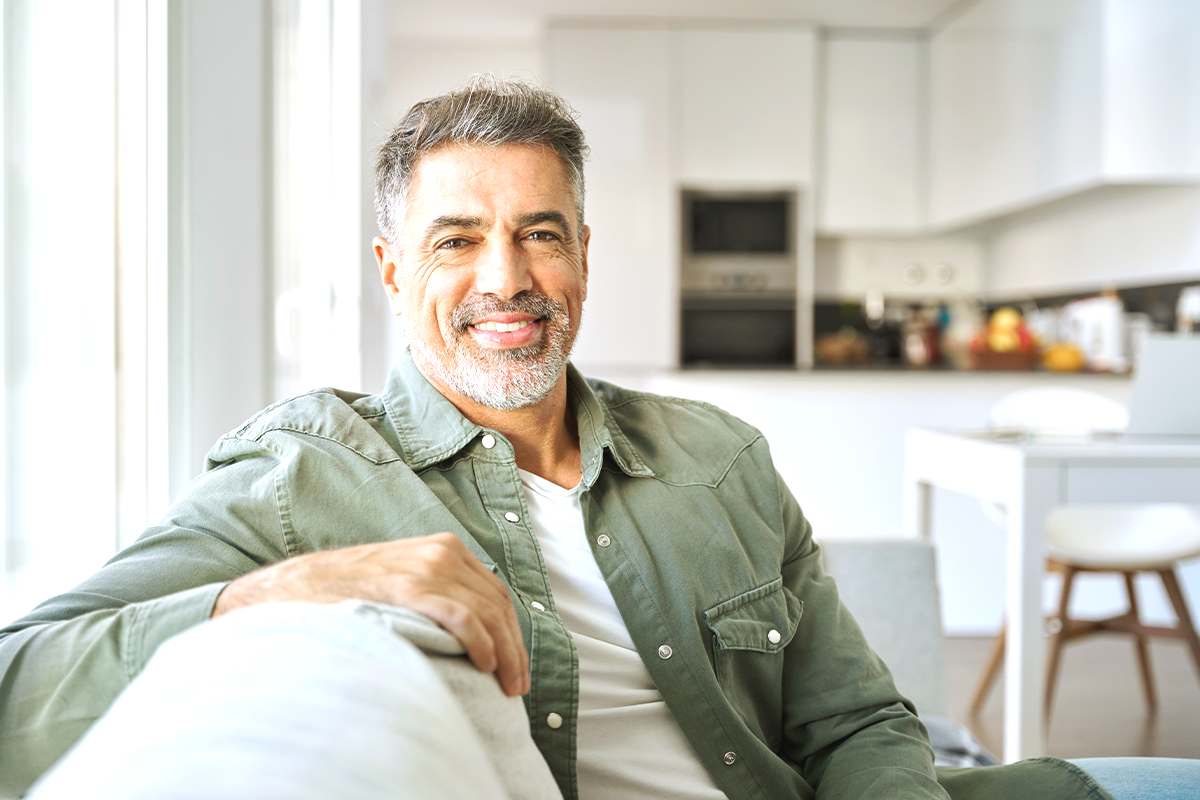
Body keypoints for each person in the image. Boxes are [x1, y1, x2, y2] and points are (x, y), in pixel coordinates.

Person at [0, 77, 1121, 800]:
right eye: (457, 240)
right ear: (394, 271)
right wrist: (299, 579)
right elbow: (22, 681)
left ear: (583, 254)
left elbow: (858, 718)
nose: (508, 279)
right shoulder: (307, 470)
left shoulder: (718, 452)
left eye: (540, 233)